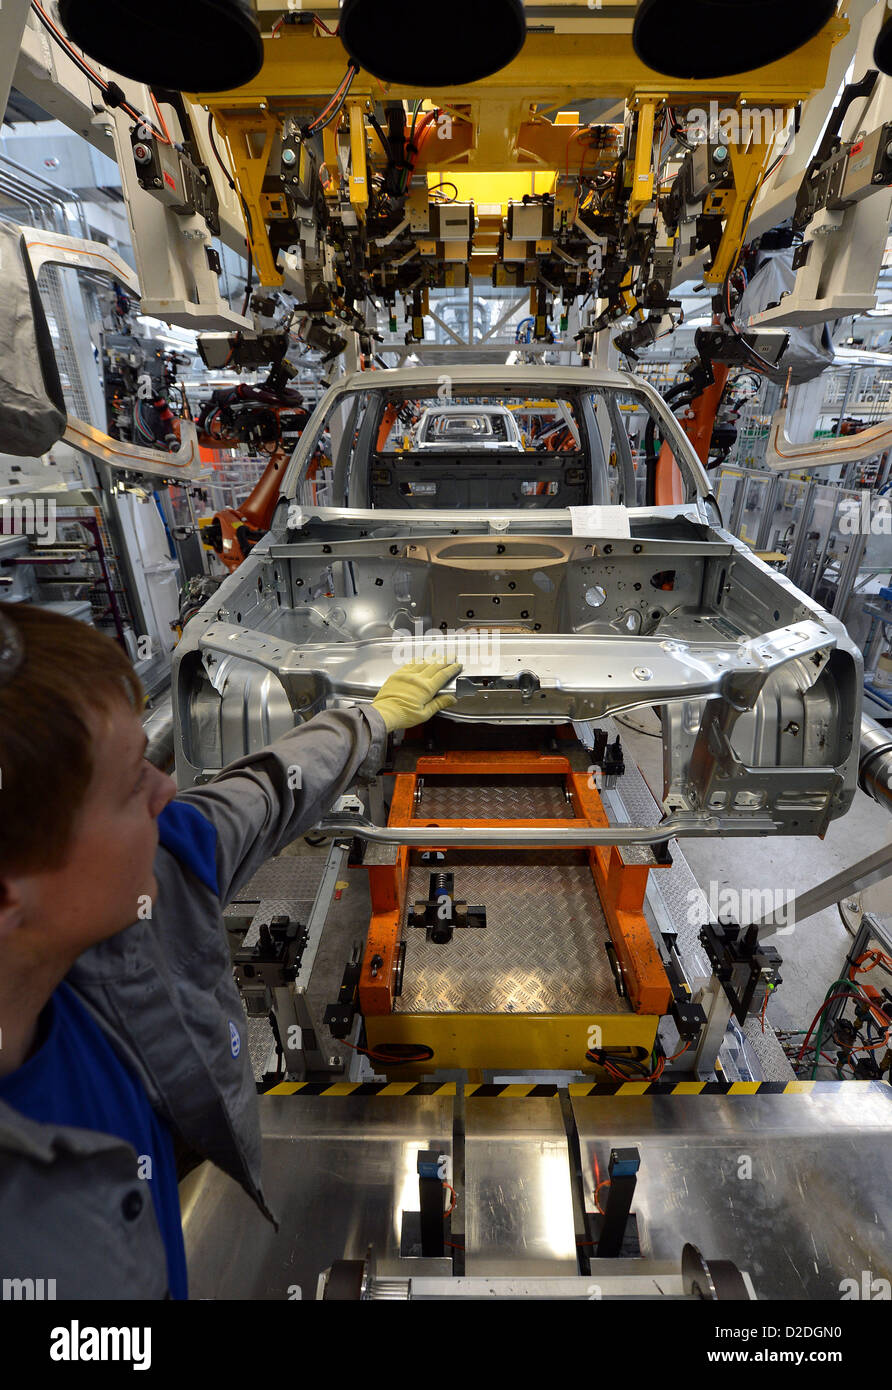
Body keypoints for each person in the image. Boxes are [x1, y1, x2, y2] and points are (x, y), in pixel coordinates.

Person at [0, 601, 460, 1299]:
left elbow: (264, 791)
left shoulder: (147, 878)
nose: (167, 789)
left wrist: (372, 719)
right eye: (132, 786)